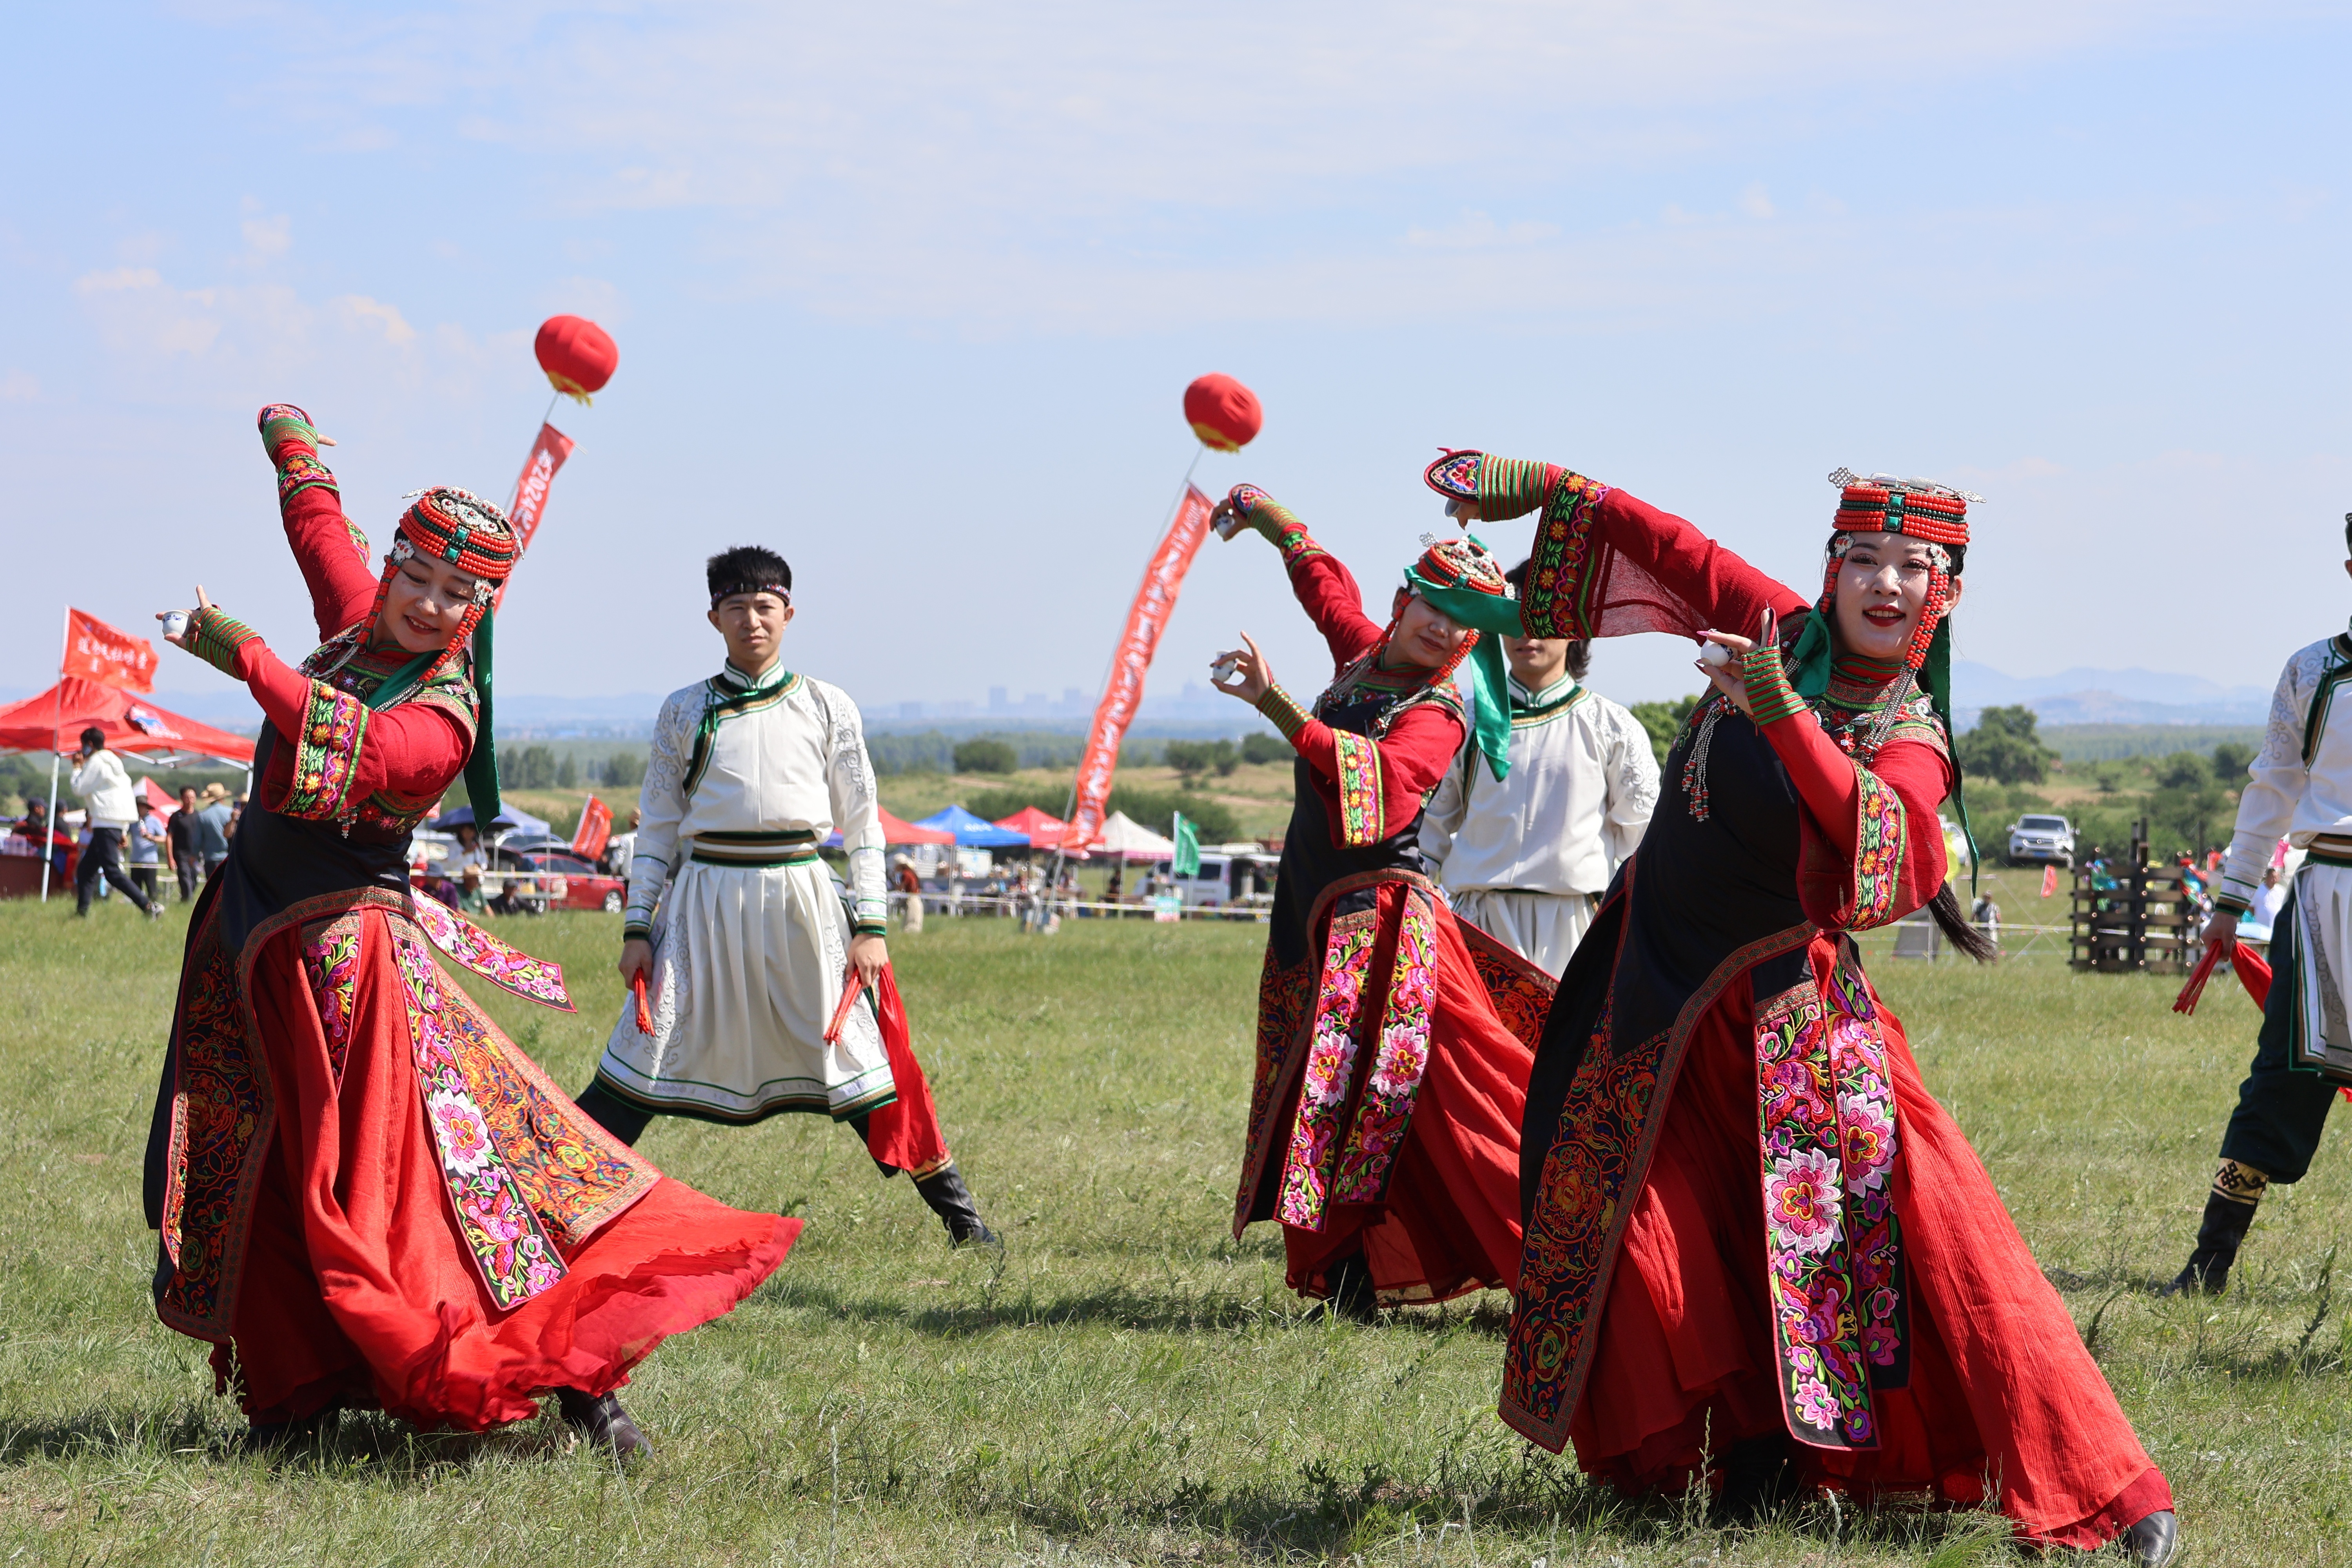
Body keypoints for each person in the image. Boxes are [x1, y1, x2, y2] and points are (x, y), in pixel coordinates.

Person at [1414, 452, 2176, 1563]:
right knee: (1638, 1231)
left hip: (1789, 1022)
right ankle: (1718, 1459)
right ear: (1829, 569)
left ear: (1946, 593)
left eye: (1914, 567)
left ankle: (2101, 1484)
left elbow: (1885, 850)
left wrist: (1780, 715)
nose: (1884, 582)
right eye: (1862, 557)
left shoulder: (1908, 730)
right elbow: (1676, 553)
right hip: (1655, 985)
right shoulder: (1784, 629)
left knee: (1929, 1235)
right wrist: (1559, 487)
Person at [143, 403, 793, 1456]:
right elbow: (319, 529)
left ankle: (578, 1373)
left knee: (402, 1190)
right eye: (420, 580)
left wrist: (246, 651)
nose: (432, 606)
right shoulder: (361, 624)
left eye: (460, 597)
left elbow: (345, 741)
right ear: (393, 567)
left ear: (480, 609)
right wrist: (293, 443)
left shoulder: (443, 718)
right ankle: (292, 1399)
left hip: (343, 970)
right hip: (253, 946)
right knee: (264, 1160)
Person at [572, 546, 996, 1248]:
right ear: (714, 618)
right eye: (736, 608)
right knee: (639, 1060)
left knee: (859, 1061)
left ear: (789, 613)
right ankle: (546, 1196)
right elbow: (657, 832)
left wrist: (871, 927)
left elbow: (863, 829)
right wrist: (636, 929)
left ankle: (964, 1222)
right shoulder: (684, 711)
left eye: (765, 607)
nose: (752, 621)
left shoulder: (829, 706)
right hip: (704, 901)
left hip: (803, 900)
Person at [1205, 485, 1555, 1320]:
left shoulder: (1440, 708)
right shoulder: (1365, 655)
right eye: (1431, 605)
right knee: (1332, 1090)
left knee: (1436, 1094)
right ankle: (1352, 1275)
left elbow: (1384, 793)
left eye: (1460, 620)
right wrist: (1269, 516)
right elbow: (1326, 585)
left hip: (1382, 920)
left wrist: (1277, 705)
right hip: (1317, 906)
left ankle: (1561, 1259)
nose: (1440, 627)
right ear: (1405, 602)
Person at [2169, 525, 2352, 1300]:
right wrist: (2232, 895)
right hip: (2327, 897)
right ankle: (2210, 1262)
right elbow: (2273, 785)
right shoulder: (2314, 669)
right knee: (2280, 1078)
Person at [1419, 581, 1659, 978]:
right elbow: (1427, 831)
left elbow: (1646, 840)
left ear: (1575, 628)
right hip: (1477, 925)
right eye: (1513, 618)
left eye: (1542, 618)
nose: (1525, 632)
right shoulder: (1464, 720)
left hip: (1576, 927)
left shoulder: (1611, 726)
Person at [69, 728, 164, 918]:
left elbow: (79, 788)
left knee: (112, 872)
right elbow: (125, 796)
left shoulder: (96, 762)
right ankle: (81, 913)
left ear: (89, 745)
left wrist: (77, 767)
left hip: (104, 822)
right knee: (86, 869)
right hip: (113, 822)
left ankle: (148, 906)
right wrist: (123, 828)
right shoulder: (115, 764)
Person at [130, 792, 170, 907]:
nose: (139, 809)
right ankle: (138, 908)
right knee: (135, 889)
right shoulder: (133, 822)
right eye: (138, 806)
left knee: (151, 889)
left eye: (142, 806)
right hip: (135, 860)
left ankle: (154, 907)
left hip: (150, 861)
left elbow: (165, 838)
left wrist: (152, 838)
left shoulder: (155, 821)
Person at [167, 786, 203, 901]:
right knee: (185, 878)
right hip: (181, 854)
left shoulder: (199, 816)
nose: (190, 801)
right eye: (187, 798)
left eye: (192, 798)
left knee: (194, 880)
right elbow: (169, 837)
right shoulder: (176, 817)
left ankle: (185, 900)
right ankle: (188, 901)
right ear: (182, 798)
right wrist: (170, 858)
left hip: (195, 854)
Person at [193, 783, 233, 881]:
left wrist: (194, 855)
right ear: (222, 798)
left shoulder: (202, 816)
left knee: (213, 889)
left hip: (210, 858)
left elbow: (197, 841)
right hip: (228, 857)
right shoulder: (231, 813)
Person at [895, 854, 926, 934]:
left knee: (910, 924)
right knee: (914, 922)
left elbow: (901, 889)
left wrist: (894, 883)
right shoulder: (911, 873)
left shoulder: (905, 874)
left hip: (911, 899)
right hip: (916, 898)